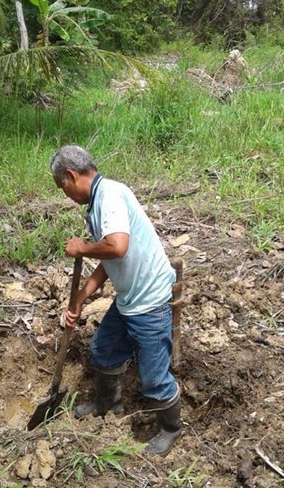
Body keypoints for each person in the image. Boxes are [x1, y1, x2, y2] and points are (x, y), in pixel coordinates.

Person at [51, 144, 181, 455]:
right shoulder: (98, 202)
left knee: (153, 377)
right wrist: (81, 296)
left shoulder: (109, 195)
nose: (65, 195)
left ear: (70, 176)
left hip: (149, 301)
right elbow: (109, 259)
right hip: (130, 298)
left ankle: (171, 428)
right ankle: (108, 402)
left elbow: (117, 246)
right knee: (104, 348)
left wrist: (82, 247)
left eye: (62, 188)